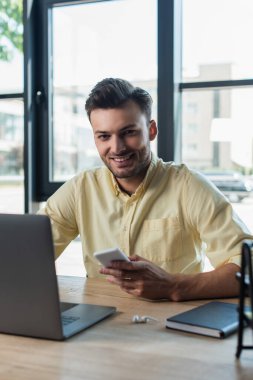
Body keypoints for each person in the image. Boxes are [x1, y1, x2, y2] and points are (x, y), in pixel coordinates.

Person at [38, 77, 253, 301]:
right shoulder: (80, 189)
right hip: (99, 324)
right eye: (104, 136)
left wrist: (174, 286)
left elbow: (248, 266)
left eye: (128, 132)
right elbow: (26, 254)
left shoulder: (189, 187)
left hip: (172, 328)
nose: (117, 148)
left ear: (151, 130)